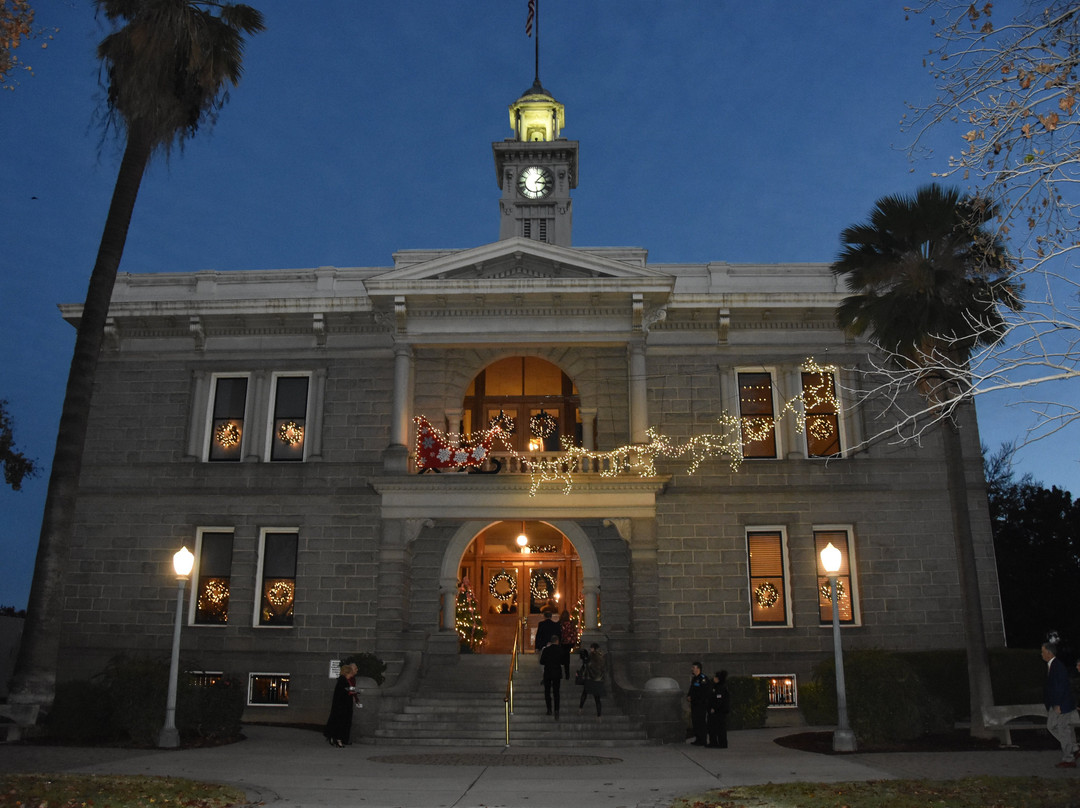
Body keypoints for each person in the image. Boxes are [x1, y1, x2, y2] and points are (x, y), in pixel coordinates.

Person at [1041, 641, 1078, 768]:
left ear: (1049, 653)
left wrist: (1058, 704)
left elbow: (1061, 686)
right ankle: (1073, 748)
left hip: (1061, 704)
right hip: (1055, 703)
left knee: (1063, 729)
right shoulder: (1053, 666)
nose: (1042, 654)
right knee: (1052, 726)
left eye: (1043, 652)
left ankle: (1069, 758)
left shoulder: (1058, 666)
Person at [324, 661, 359, 748]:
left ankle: (337, 738)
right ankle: (338, 740)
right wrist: (351, 692)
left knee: (343, 722)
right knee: (340, 723)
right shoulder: (343, 680)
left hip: (344, 706)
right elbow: (343, 692)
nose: (352, 673)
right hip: (342, 706)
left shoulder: (344, 680)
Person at [578, 642, 605, 719]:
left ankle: (580, 708)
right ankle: (599, 715)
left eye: (591, 648)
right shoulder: (602, 657)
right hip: (598, 679)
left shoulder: (591, 656)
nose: (590, 650)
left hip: (590, 678)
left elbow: (587, 665)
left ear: (593, 649)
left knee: (584, 693)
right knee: (597, 698)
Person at [540, 634, 563, 718]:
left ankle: (549, 709)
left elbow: (542, 661)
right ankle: (556, 710)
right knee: (556, 692)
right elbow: (563, 661)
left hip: (548, 672)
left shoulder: (546, 650)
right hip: (556, 672)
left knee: (547, 692)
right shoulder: (560, 650)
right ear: (557, 641)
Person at [687, 661, 709, 746]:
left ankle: (703, 740)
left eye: (693, 667)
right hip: (695, 704)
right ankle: (698, 739)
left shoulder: (703, 679)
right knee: (695, 722)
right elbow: (692, 689)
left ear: (698, 668)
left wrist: (695, 698)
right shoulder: (694, 678)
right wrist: (689, 696)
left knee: (701, 722)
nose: (692, 669)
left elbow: (703, 692)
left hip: (701, 704)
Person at [707, 670, 730, 748]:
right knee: (714, 727)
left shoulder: (720, 687)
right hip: (718, 711)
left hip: (720, 711)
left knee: (720, 728)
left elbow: (719, 700)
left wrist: (714, 708)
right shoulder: (716, 686)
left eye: (715, 677)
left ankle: (722, 743)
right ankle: (714, 742)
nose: (714, 678)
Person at [558, 607, 577, 679]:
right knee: (567, 659)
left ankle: (561, 674)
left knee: (559, 658)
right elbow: (574, 633)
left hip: (561, 643)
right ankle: (567, 674)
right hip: (569, 643)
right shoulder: (571, 623)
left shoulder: (560, 624)